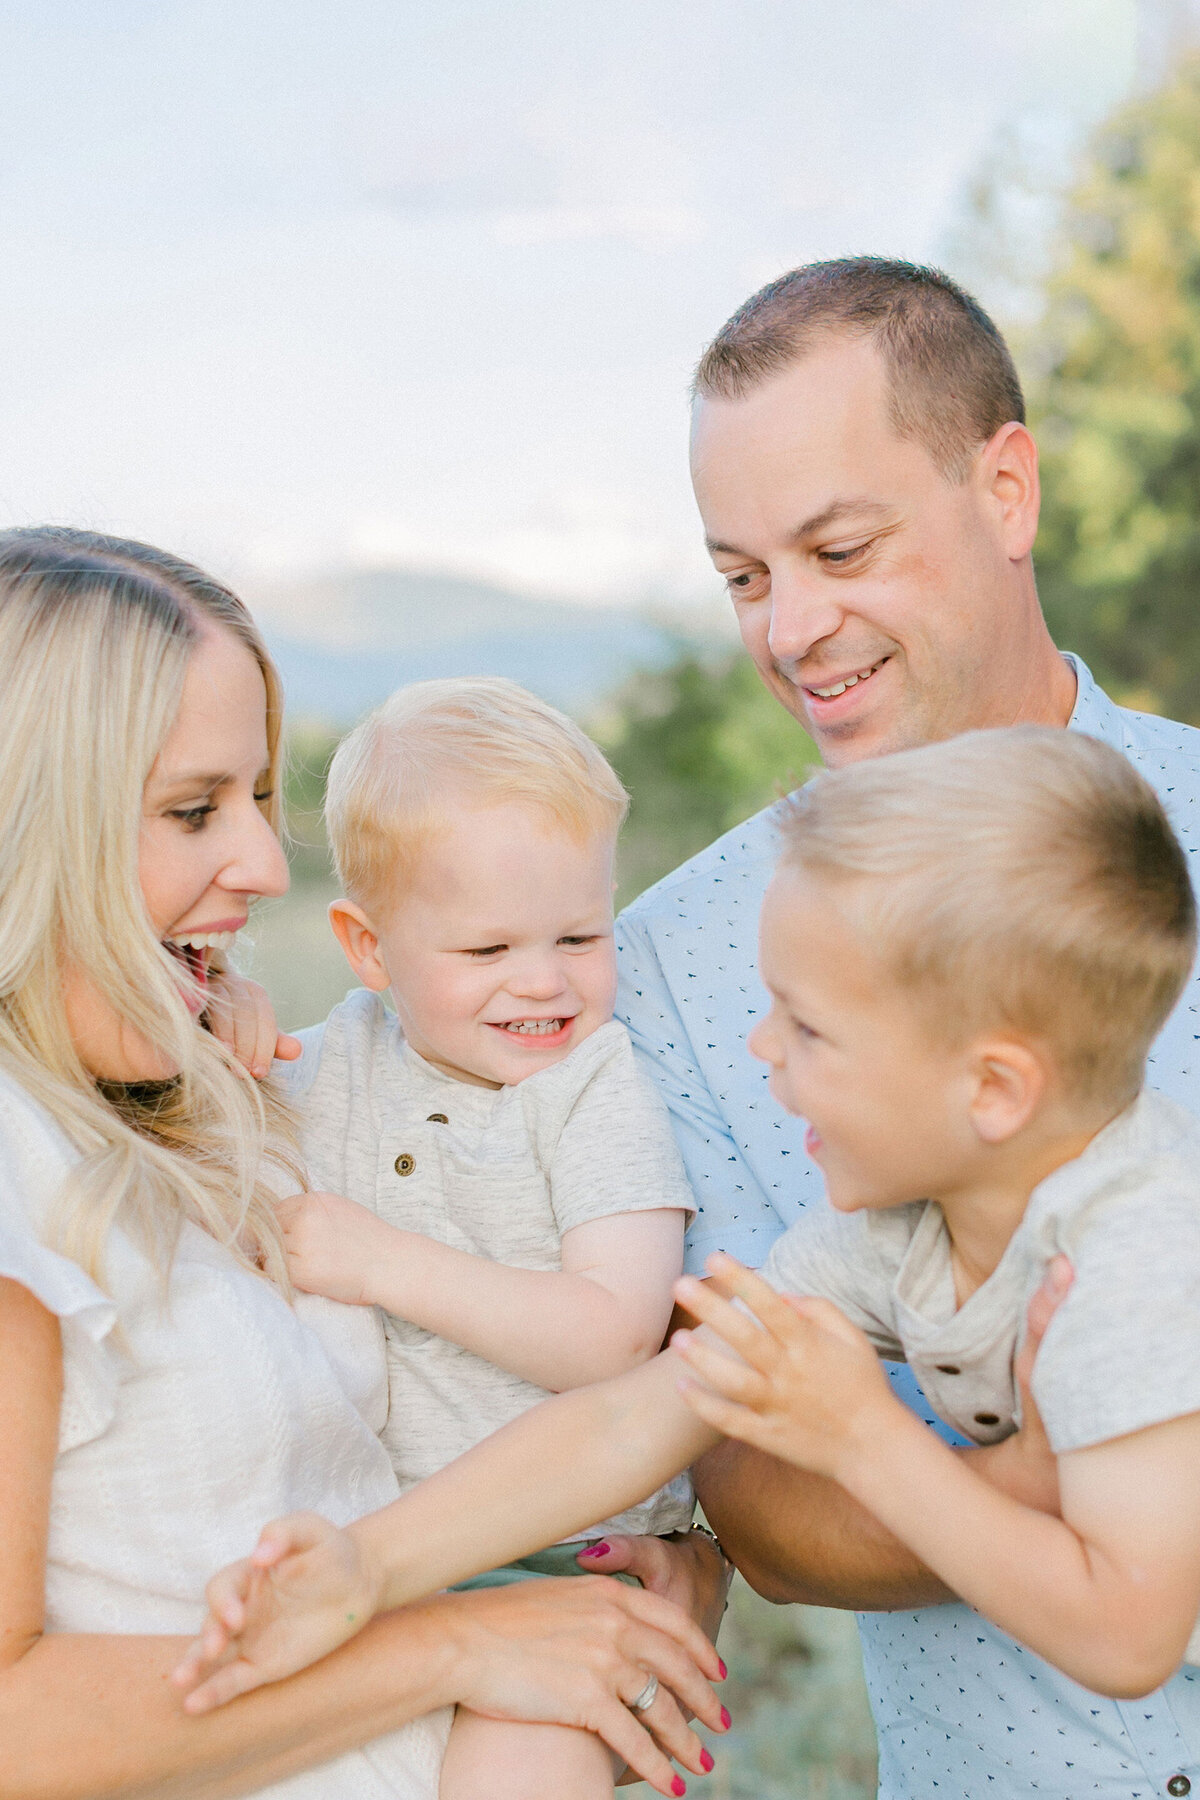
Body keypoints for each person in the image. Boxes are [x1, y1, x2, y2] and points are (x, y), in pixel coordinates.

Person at [172, 726, 1200, 1710]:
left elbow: (1126, 1636)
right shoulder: (895, 1239)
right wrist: (369, 1566)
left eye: (807, 1026)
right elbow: (632, 1414)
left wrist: (862, 1436)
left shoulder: (1139, 1251)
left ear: (993, 1089)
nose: (760, 1047)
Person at [0, 526, 726, 1800]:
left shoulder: (184, 1098)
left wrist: (653, 1556)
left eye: (262, 798)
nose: (266, 865)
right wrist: (457, 1641)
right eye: (191, 810)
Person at [613, 256, 1200, 1798]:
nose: (794, 626)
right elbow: (764, 1503)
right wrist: (1091, 1463)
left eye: (840, 547)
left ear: (1006, 490)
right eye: (744, 575)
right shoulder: (677, 962)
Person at [264, 677, 697, 1800]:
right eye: (488, 949)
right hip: (386, 1563)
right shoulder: (339, 1059)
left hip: (568, 1565)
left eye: (579, 935)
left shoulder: (597, 1085)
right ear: (369, 949)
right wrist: (222, 1028)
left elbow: (612, 1335)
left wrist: (386, 1262)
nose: (544, 981)